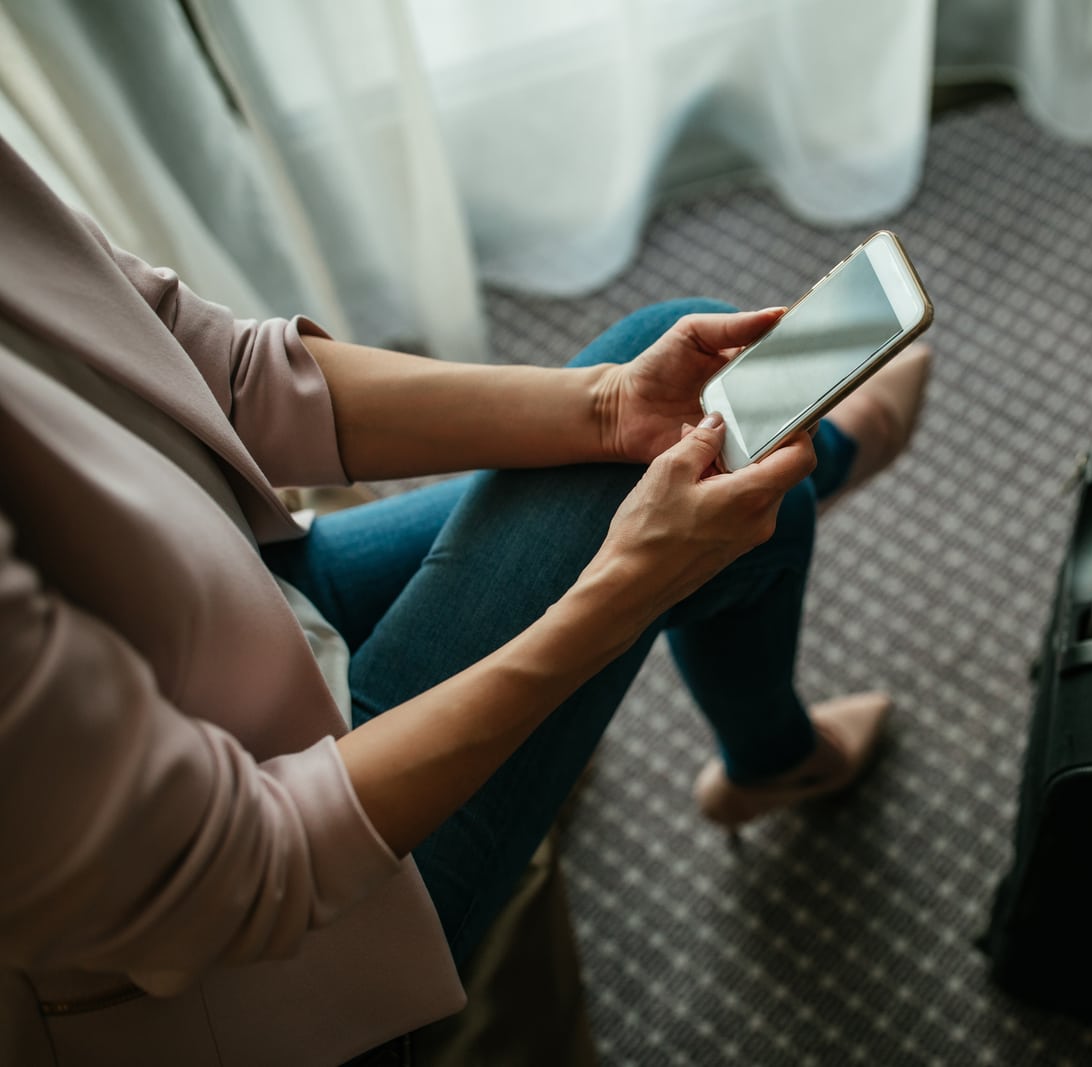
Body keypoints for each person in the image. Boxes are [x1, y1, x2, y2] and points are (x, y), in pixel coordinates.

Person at [0, 133, 931, 1066]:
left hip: (222, 605)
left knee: (694, 433)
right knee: (739, 495)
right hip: (244, 951)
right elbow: (233, 869)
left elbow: (222, 373)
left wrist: (607, 404)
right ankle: (782, 713)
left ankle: (774, 745)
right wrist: (622, 589)